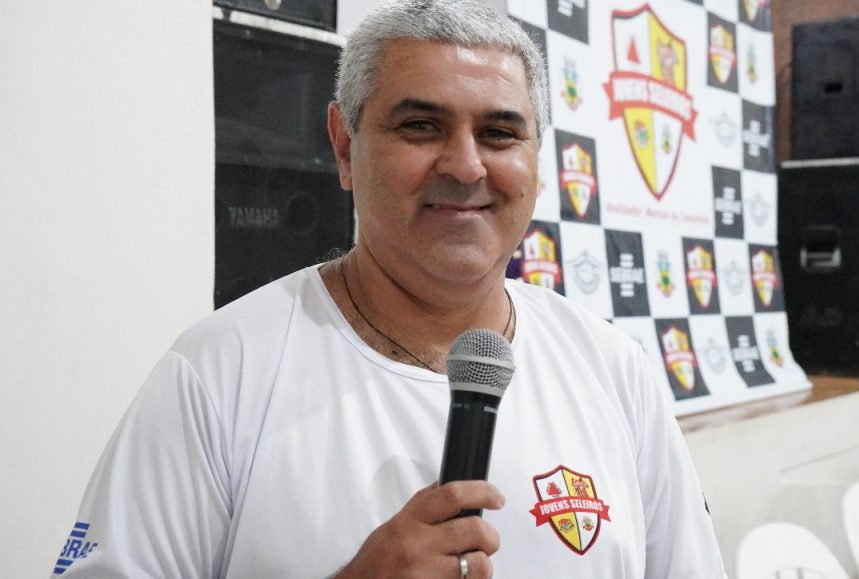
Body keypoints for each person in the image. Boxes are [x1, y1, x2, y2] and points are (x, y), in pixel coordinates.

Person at [52, 1, 726, 577]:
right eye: (421, 126)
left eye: (499, 133)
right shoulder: (218, 373)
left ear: (537, 161)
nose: (466, 166)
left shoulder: (613, 371)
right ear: (344, 147)